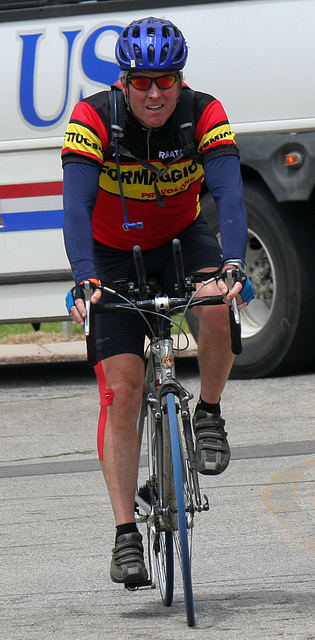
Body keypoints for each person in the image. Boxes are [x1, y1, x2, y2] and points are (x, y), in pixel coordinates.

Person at [62, 17, 254, 587]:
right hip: (112, 254)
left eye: (165, 82)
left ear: (180, 79)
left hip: (180, 240)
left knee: (216, 302)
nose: (154, 93)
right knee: (121, 391)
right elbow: (74, 206)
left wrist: (235, 261)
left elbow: (229, 194)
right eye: (142, 81)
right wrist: (84, 277)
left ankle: (211, 415)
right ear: (124, 82)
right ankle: (126, 535)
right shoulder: (93, 118)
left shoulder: (205, 113)